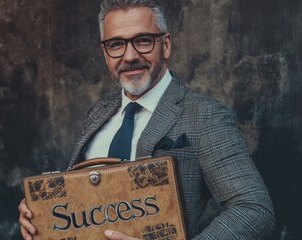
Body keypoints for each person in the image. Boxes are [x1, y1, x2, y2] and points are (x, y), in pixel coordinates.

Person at [19, 0, 275, 239]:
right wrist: (42, 212)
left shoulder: (205, 116)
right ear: (105, 52)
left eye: (143, 40)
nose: (129, 56)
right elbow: (85, 198)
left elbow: (255, 209)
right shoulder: (97, 113)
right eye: (116, 44)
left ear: (166, 44)